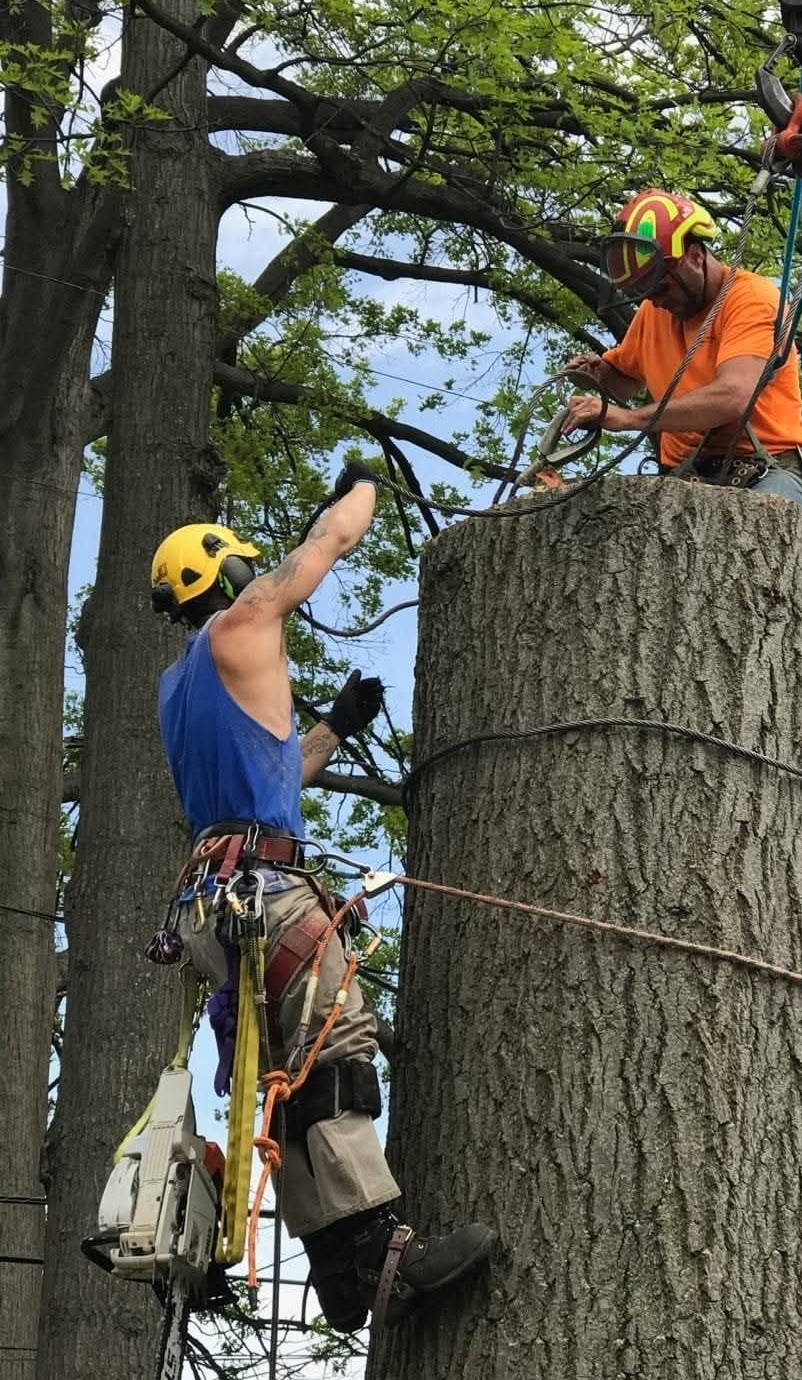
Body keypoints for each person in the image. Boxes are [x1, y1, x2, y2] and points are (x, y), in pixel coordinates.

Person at [149, 461, 495, 1332]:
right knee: (337, 1050)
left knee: (285, 1080)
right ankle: (385, 1250)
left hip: (214, 902)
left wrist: (332, 729)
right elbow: (333, 538)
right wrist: (363, 483)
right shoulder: (249, 617)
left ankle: (341, 1275)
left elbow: (263, 789)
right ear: (227, 571)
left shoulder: (179, 685)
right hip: (265, 895)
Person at [562, 188, 802, 507]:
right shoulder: (655, 311)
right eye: (645, 292)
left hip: (764, 470)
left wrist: (629, 420)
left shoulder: (752, 299)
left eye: (661, 286)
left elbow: (732, 397)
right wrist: (597, 375)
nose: (655, 299)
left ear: (696, 256)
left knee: (773, 518)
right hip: (684, 476)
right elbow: (625, 382)